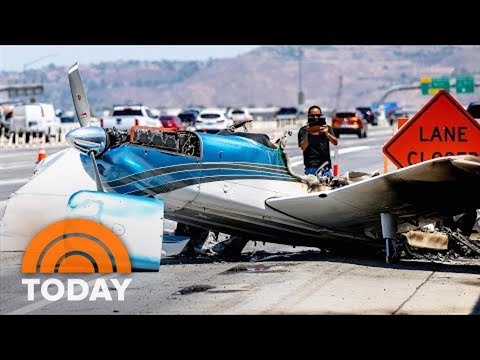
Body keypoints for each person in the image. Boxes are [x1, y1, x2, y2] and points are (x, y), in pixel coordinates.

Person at [298, 105, 338, 179]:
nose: (315, 118)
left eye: (318, 115)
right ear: (308, 116)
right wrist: (308, 133)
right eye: (312, 116)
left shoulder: (327, 128)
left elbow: (335, 142)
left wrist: (327, 133)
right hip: (311, 169)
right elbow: (303, 147)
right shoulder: (303, 130)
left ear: (321, 116)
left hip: (326, 168)